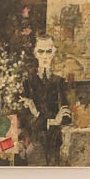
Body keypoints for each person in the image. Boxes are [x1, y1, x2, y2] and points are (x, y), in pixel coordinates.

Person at [18, 33, 71, 165]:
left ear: (53, 53)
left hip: (54, 141)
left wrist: (37, 114)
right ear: (36, 53)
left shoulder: (59, 81)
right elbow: (24, 118)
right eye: (41, 51)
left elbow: (66, 117)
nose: (45, 56)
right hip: (34, 142)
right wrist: (52, 120)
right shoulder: (27, 82)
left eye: (48, 51)